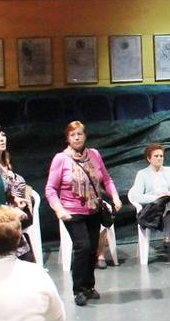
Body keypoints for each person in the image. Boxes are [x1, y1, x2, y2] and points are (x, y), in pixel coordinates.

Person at [46, 120, 120, 306]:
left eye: (79, 133)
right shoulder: (61, 159)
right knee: (83, 247)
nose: (77, 137)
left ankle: (89, 286)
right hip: (72, 211)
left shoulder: (94, 154)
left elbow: (107, 179)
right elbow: (50, 189)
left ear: (85, 135)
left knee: (93, 249)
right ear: (67, 138)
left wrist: (116, 197)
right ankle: (78, 289)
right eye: (72, 135)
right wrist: (59, 209)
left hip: (93, 209)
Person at [0, 122, 36, 262]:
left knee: (26, 262)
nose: (2, 139)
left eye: (3, 135)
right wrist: (9, 210)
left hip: (9, 220)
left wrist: (14, 198)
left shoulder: (4, 163)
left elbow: (4, 190)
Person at [131, 143, 170, 267]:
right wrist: (155, 198)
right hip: (152, 211)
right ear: (149, 158)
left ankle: (168, 242)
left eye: (161, 156)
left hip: (169, 206)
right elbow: (135, 196)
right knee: (167, 205)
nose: (159, 158)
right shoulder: (142, 174)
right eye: (156, 156)